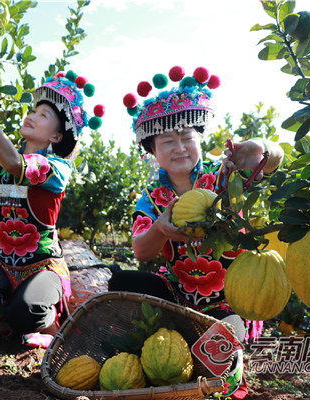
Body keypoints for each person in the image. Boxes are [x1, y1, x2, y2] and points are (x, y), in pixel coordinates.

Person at [109, 65, 284, 398]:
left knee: (217, 362)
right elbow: (141, 251)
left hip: (226, 298)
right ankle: (175, 343)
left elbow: (274, 159)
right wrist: (160, 227)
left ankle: (224, 348)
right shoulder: (151, 199)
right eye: (167, 140)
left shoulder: (224, 176)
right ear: (152, 150)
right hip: (177, 295)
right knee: (121, 282)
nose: (179, 147)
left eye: (187, 137)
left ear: (200, 140)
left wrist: (259, 148)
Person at [0, 56, 104, 348]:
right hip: (3, 265)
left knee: (28, 311)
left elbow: (17, 164)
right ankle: (7, 317)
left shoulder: (57, 168)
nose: (32, 115)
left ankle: (44, 318)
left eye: (43, 115)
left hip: (43, 269)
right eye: (34, 110)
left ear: (56, 135)